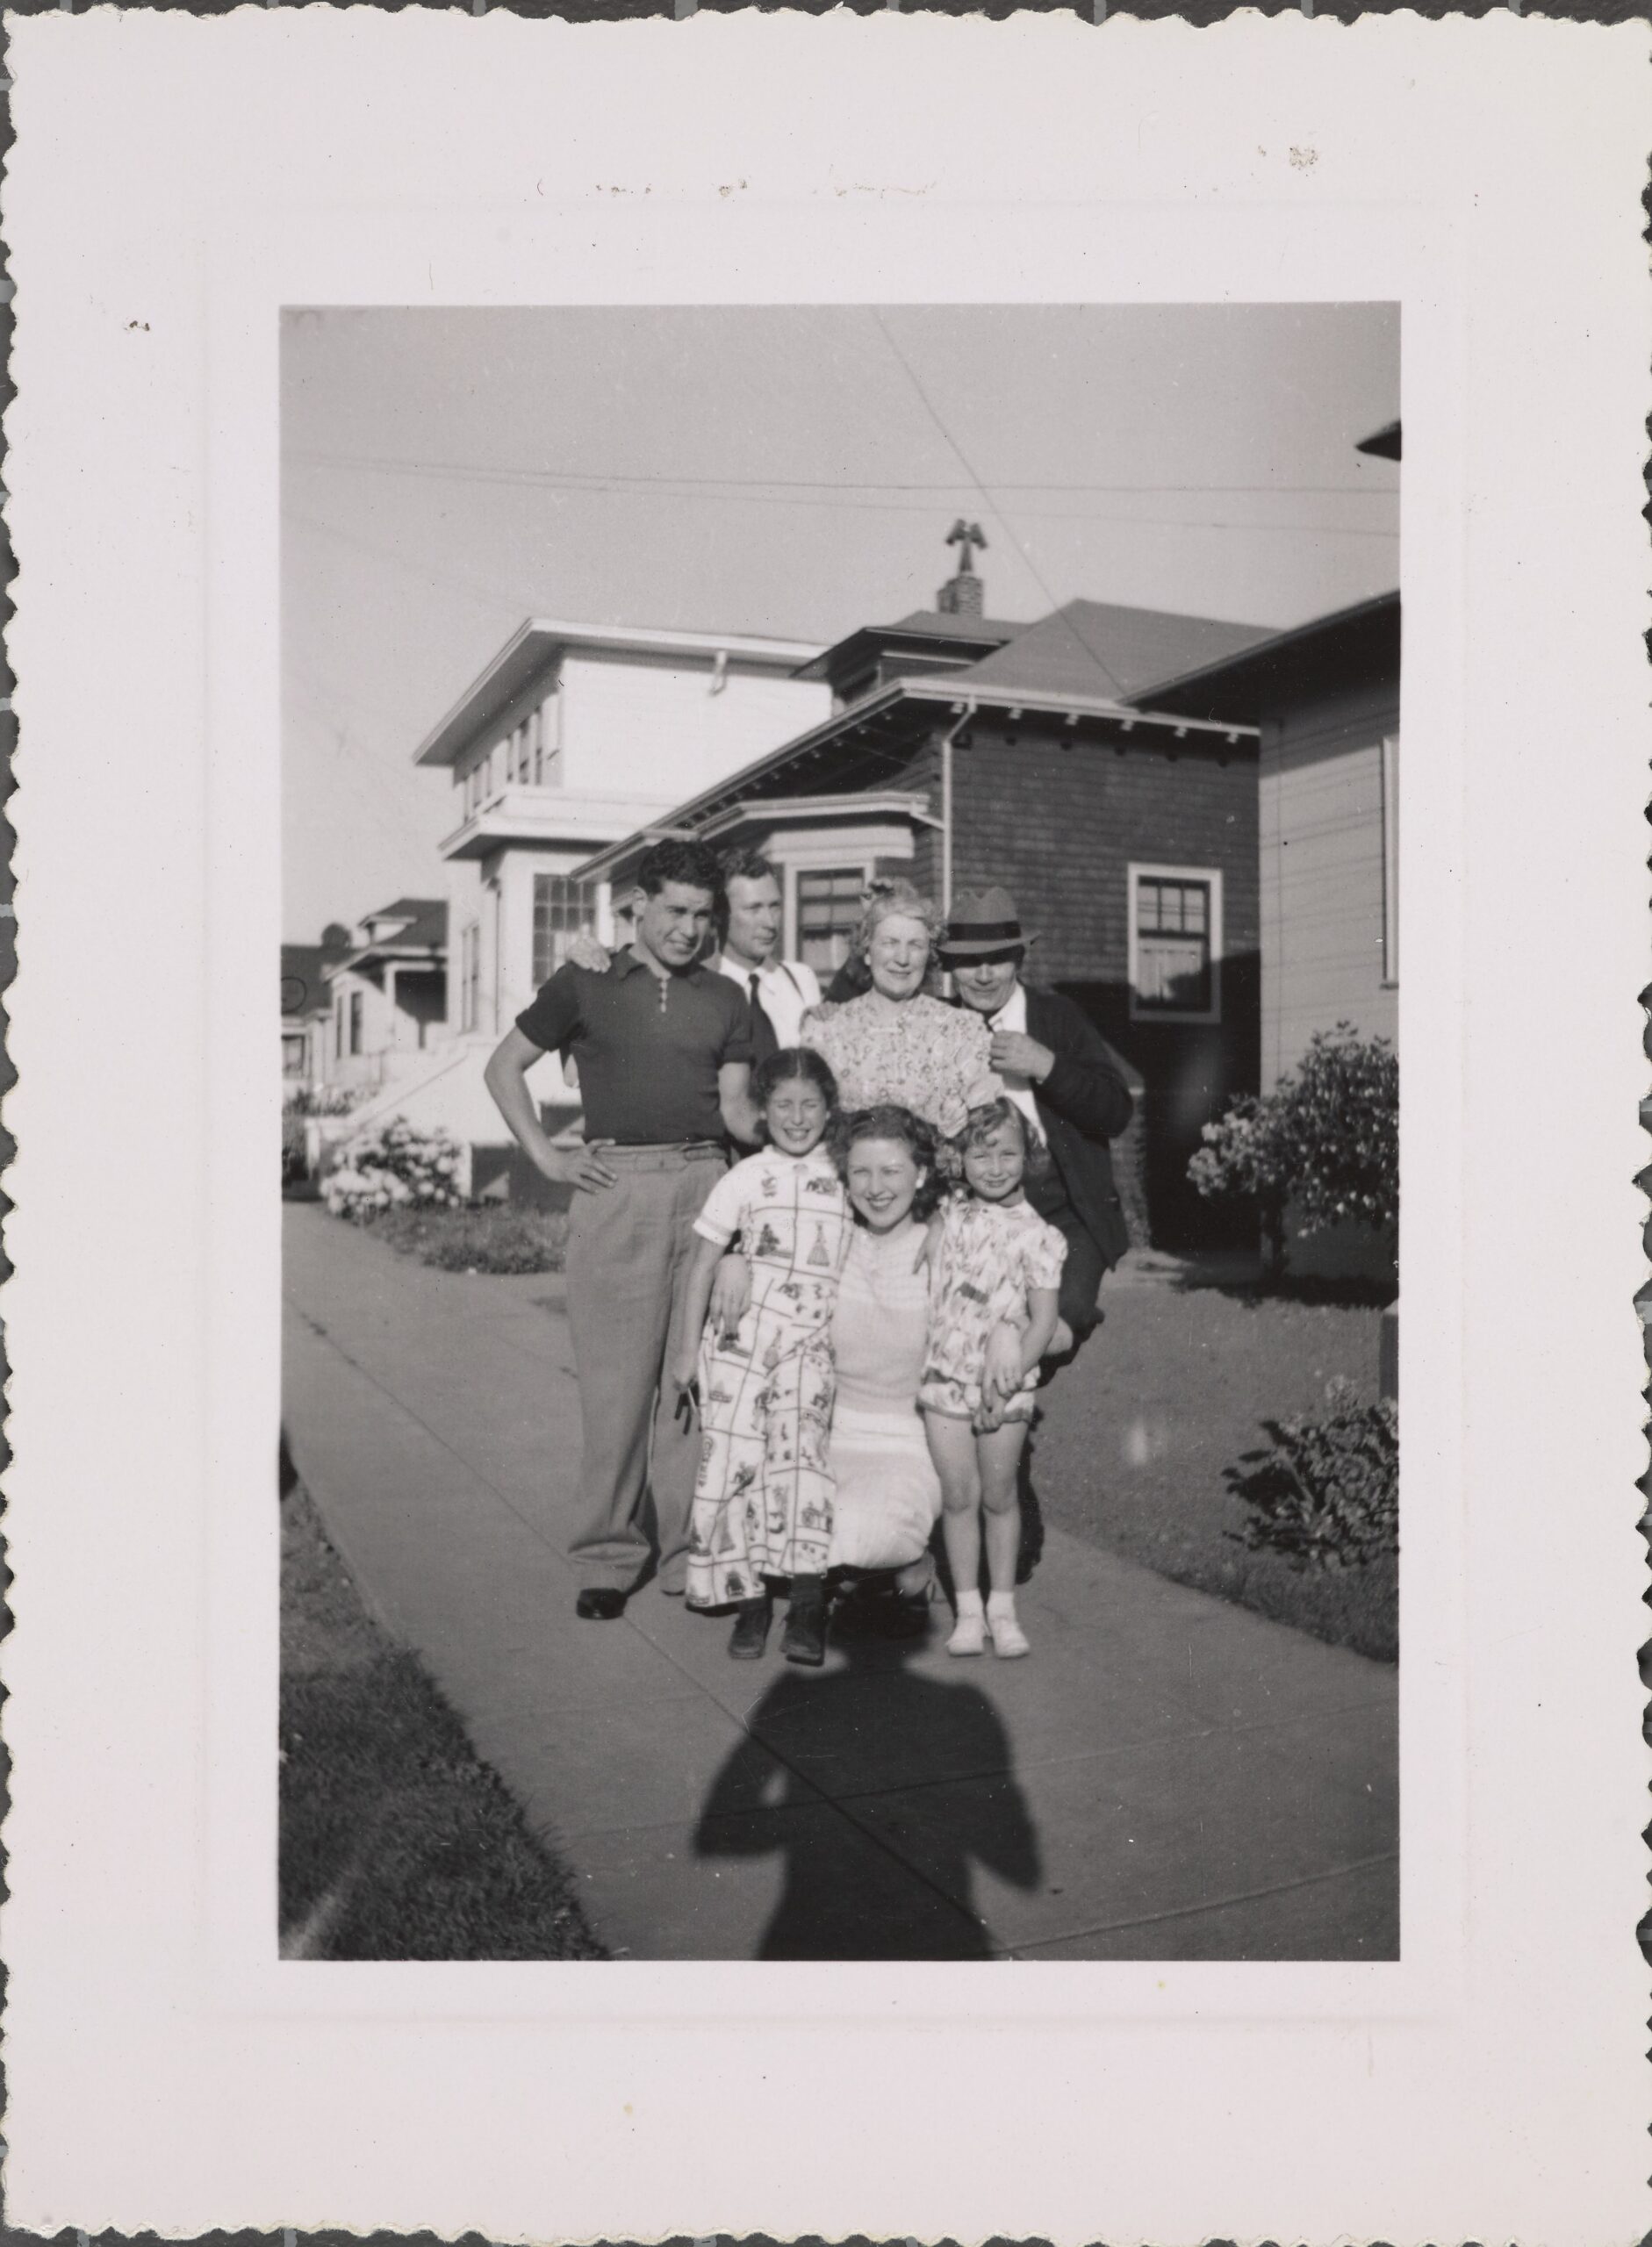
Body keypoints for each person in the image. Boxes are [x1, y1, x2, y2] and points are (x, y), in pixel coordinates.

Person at [483, 839, 758, 1620]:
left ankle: (687, 1556)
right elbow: (504, 1068)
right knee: (614, 1386)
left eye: (704, 916)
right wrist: (546, 1157)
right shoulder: (586, 982)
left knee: (690, 1384)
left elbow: (737, 1112)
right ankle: (606, 1556)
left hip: (707, 1183)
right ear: (638, 905)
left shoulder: (726, 998)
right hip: (616, 1189)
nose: (689, 930)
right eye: (674, 911)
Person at [670, 1048, 851, 1668]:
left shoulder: (848, 1173)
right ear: (762, 1111)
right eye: (783, 1106)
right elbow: (700, 1264)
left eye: (809, 1105)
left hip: (813, 1339)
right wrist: (683, 1355)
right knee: (731, 1459)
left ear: (829, 1109)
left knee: (799, 1456)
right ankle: (748, 1599)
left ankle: (805, 1600)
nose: (797, 1119)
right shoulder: (744, 1175)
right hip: (741, 1339)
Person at [940, 886, 1134, 1358]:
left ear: (1019, 959)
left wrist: (1049, 1066)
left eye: (998, 959)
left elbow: (1116, 1111)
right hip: (974, 1210)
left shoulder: (1057, 1017)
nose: (984, 975)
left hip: (1063, 1206)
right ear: (949, 967)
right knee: (967, 1340)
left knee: (1055, 1327)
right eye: (970, 962)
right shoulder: (939, 1025)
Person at [921, 1099, 1067, 1658]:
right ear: (962, 1159)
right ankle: (968, 1610)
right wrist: (934, 1223)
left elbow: (1044, 1319)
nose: (995, 1166)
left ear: (1027, 1156)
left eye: (1007, 1153)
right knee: (958, 1497)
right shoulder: (950, 1213)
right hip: (944, 1379)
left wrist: (1002, 1387)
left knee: (1000, 1496)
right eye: (980, 1154)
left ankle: (1002, 1608)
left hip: (1004, 1384)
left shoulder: (1039, 1235)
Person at [801, 880, 1000, 1131]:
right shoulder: (826, 1032)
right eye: (890, 943)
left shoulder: (962, 1031)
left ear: (930, 954)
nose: (903, 959)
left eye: (915, 946)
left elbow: (983, 1130)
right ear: (867, 950)